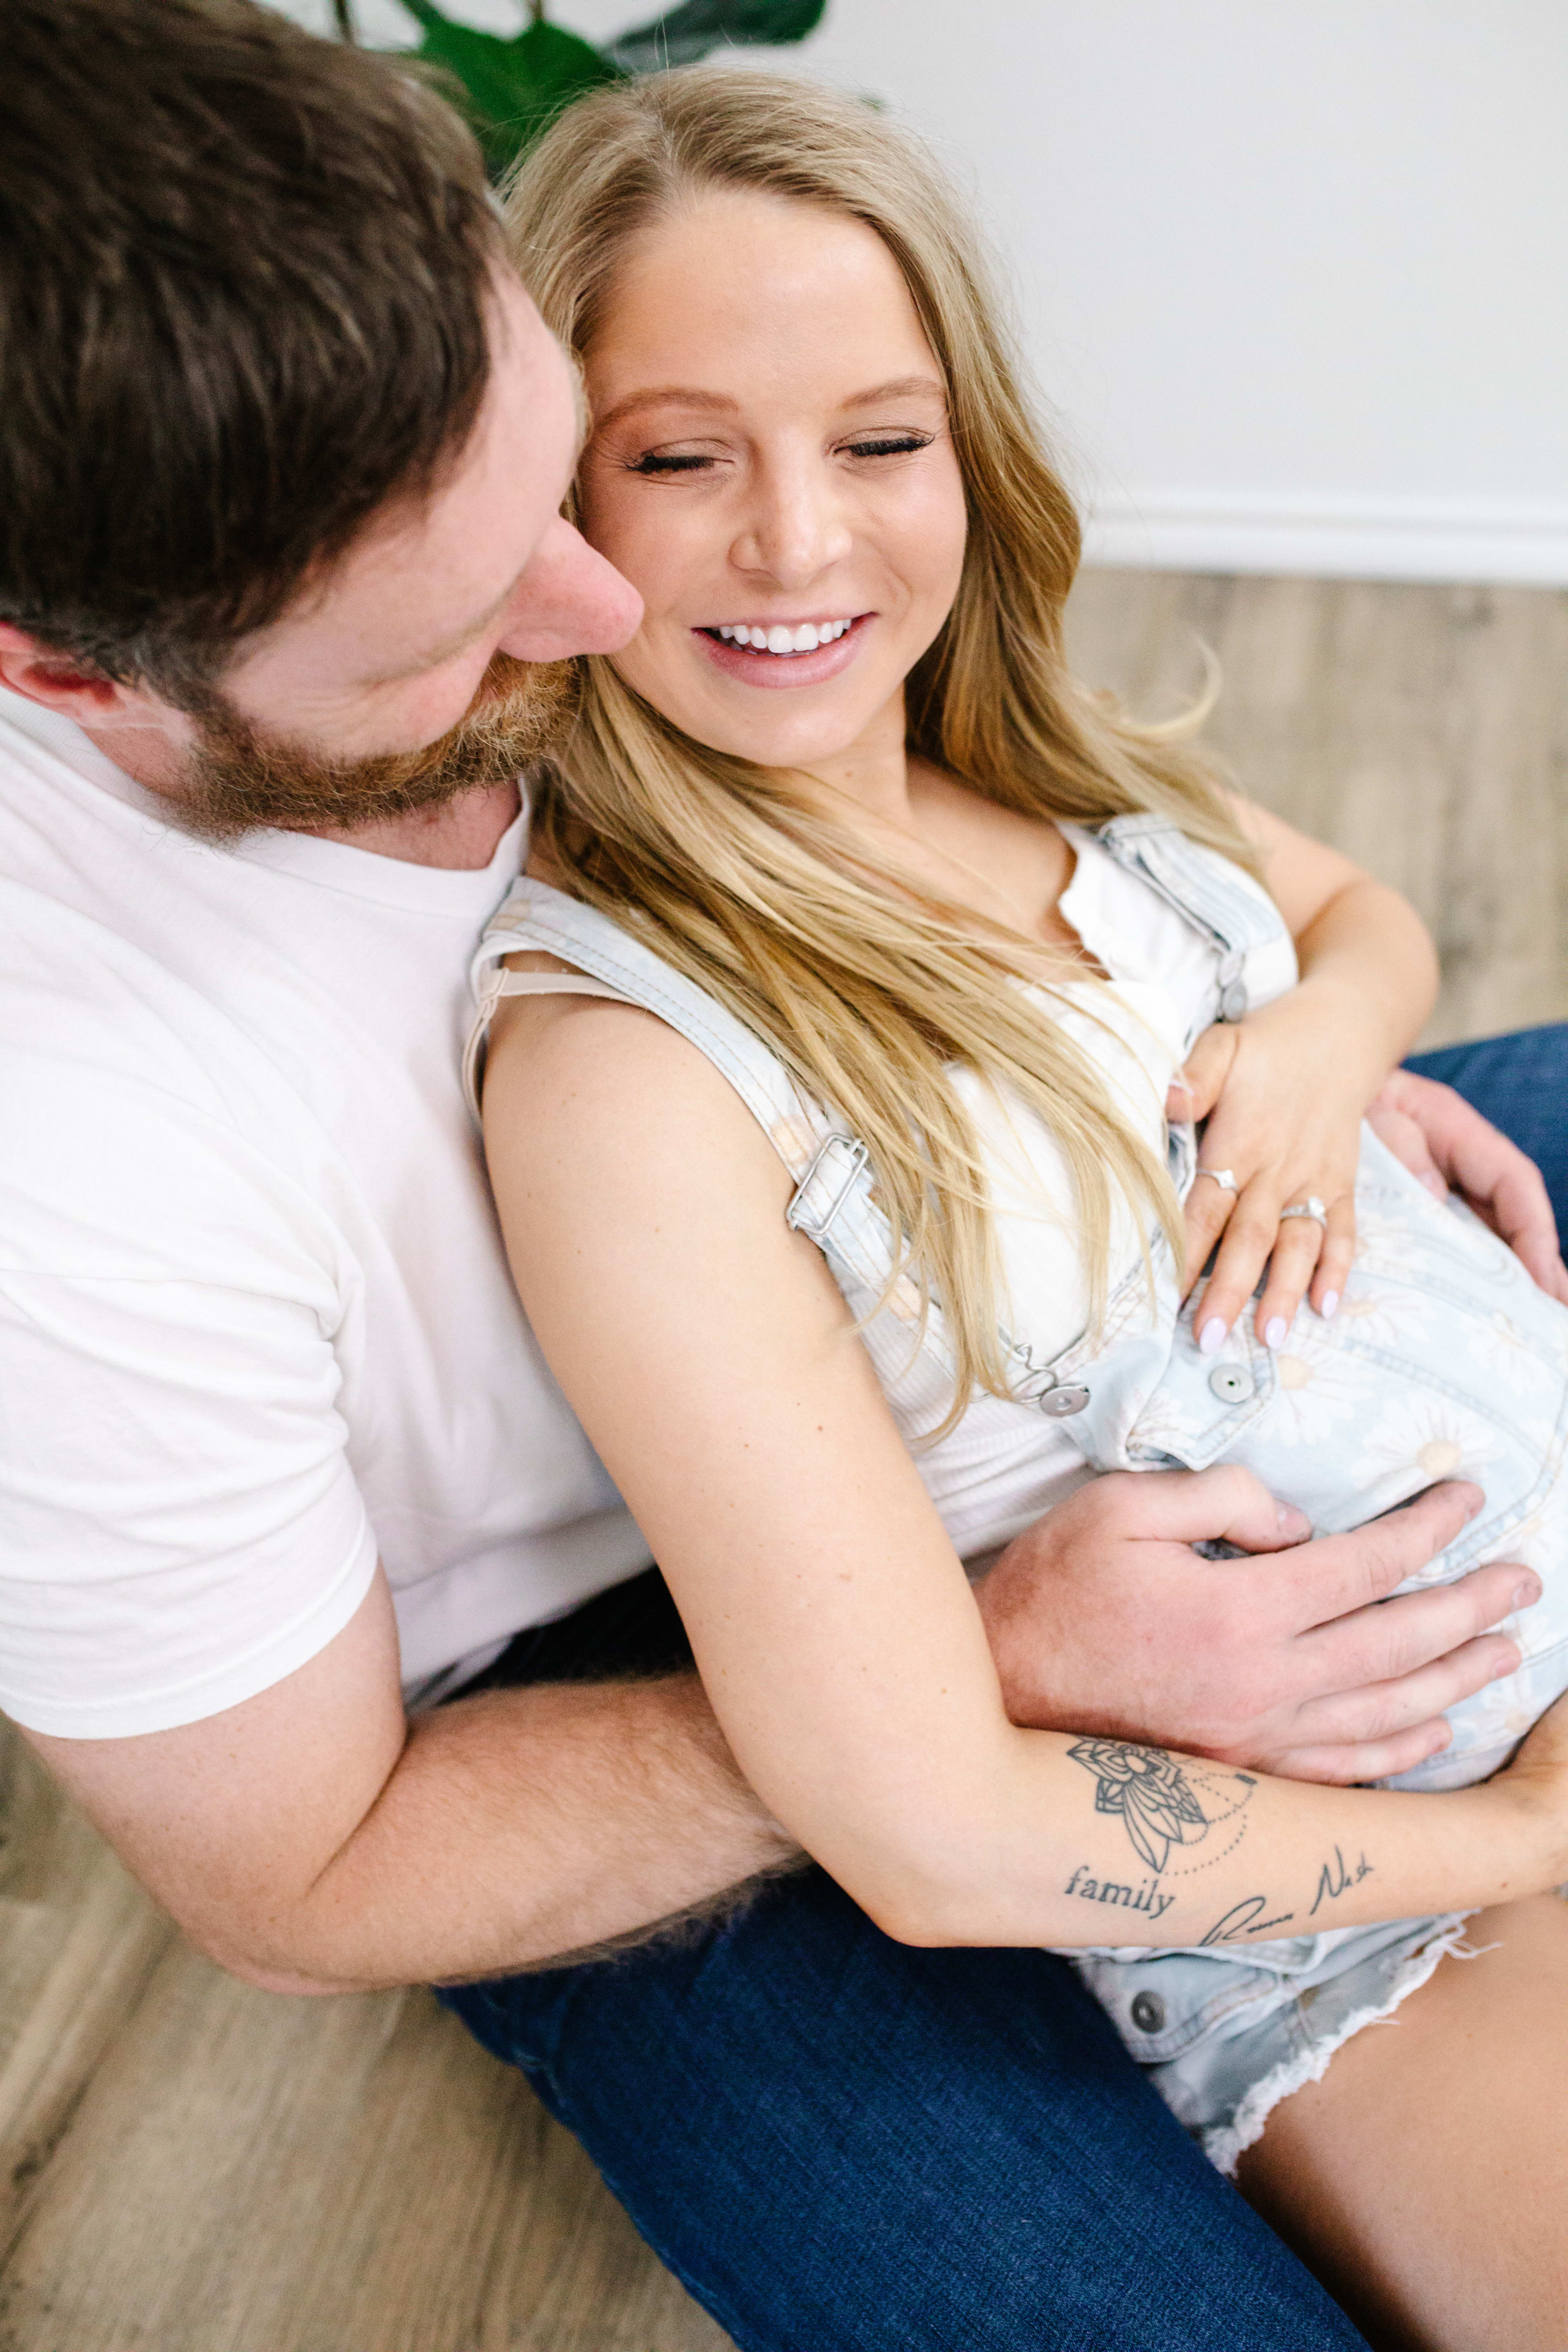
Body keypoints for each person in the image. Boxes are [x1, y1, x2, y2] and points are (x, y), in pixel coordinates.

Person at [0, 6, 1558, 2347]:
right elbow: (316, 1867)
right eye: (462, 612)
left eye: (540, 467)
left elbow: (1304, 905)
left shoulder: (936, 741)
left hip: (1177, 1293)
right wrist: (977, 1666)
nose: (605, 612)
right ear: (70, 677)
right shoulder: (98, 1152)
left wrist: (1316, 1053)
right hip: (593, 1702)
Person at [467, 67, 1568, 2347]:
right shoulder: (630, 1072)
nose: (799, 545)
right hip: (1404, 1892)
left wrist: (1321, 1054)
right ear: (548, 502)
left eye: (880, 443)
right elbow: (933, 1821)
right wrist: (1533, 1844)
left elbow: (1361, 912)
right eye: (684, 458)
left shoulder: (1032, 766)